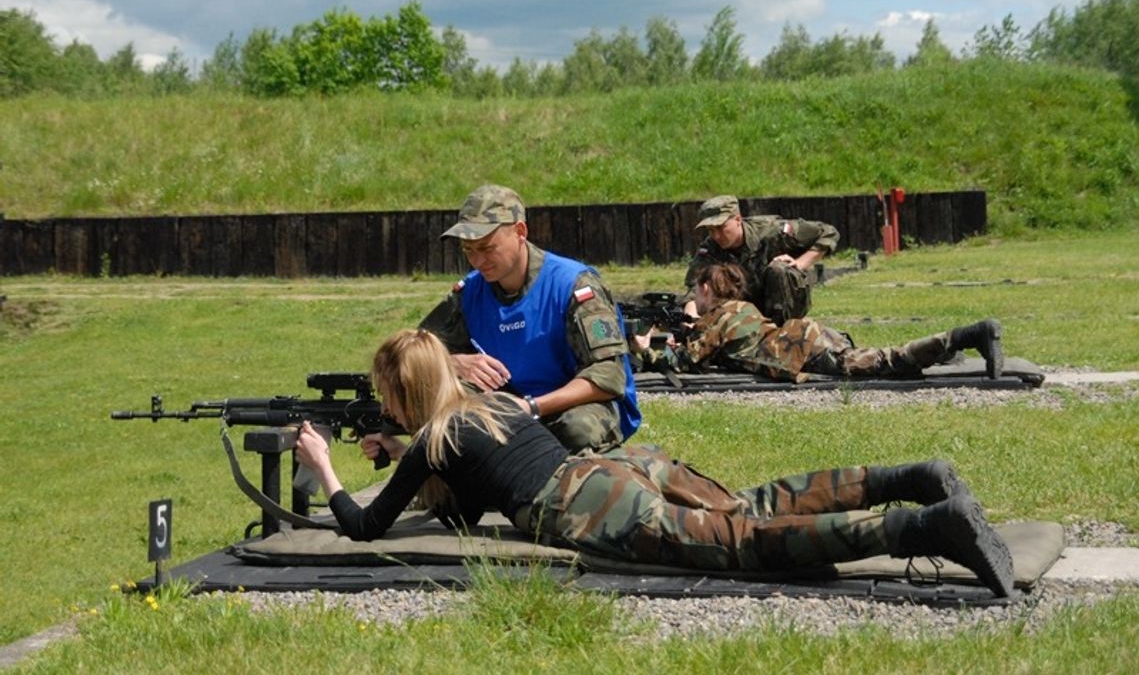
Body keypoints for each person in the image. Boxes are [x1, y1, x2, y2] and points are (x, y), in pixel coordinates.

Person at [294, 328, 1016, 598]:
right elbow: (468, 489)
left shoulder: (433, 440)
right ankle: (908, 478)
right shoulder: (501, 403)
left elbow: (364, 526)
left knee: (741, 548)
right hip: (619, 466)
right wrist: (398, 451)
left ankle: (922, 529)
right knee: (752, 508)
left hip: (581, 506)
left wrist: (327, 468)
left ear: (403, 393)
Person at [418, 184, 640, 454]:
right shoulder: (469, 293)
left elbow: (609, 376)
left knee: (578, 429)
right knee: (446, 415)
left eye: (487, 248)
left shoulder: (574, 285)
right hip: (510, 408)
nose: (477, 261)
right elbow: (413, 353)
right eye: (468, 250)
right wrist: (454, 363)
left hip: (574, 408)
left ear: (520, 232)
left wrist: (531, 407)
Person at [638, 263, 1004, 381]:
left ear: (706, 288)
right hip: (803, 335)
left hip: (796, 350)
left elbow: (684, 362)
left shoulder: (717, 319)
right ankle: (944, 349)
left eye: (696, 294)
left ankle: (962, 337)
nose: (694, 301)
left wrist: (646, 350)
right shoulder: (742, 308)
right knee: (876, 358)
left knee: (884, 363)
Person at [683, 195, 840, 325]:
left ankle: (782, 330)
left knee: (779, 269)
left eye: (721, 228)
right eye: (710, 230)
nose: (716, 236)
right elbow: (695, 288)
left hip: (784, 303)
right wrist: (690, 320)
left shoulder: (772, 231)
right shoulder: (710, 249)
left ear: (738, 219)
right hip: (742, 311)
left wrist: (801, 263)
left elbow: (828, 232)